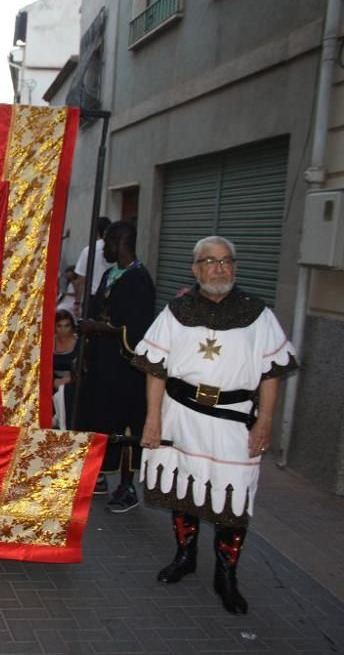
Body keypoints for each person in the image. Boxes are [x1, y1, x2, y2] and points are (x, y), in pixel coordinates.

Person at [132, 236, 297, 615]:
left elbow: (271, 374)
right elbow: (155, 369)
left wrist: (265, 422)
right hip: (181, 413)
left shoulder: (258, 314)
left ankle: (226, 575)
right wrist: (153, 419)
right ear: (195, 269)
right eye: (210, 261)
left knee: (232, 498)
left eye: (226, 261)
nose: (219, 268)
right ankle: (185, 557)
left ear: (234, 267)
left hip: (232, 421)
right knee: (182, 487)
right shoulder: (175, 312)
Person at [76, 220, 155, 511]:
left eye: (107, 243)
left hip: (125, 369)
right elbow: (98, 307)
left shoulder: (139, 279)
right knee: (99, 418)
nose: (104, 249)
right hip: (101, 363)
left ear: (121, 241)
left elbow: (136, 328)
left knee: (125, 425)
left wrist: (97, 326)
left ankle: (127, 486)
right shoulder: (111, 273)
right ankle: (100, 476)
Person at [73, 216, 115, 316]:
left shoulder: (89, 250)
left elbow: (80, 280)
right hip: (110, 298)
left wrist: (77, 302)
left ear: (96, 231)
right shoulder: (116, 250)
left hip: (91, 298)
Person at [52, 308, 78, 428]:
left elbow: (81, 368)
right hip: (52, 382)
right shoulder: (50, 342)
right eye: (59, 326)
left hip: (73, 381)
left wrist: (66, 380)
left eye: (67, 326)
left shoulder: (78, 342)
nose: (63, 330)